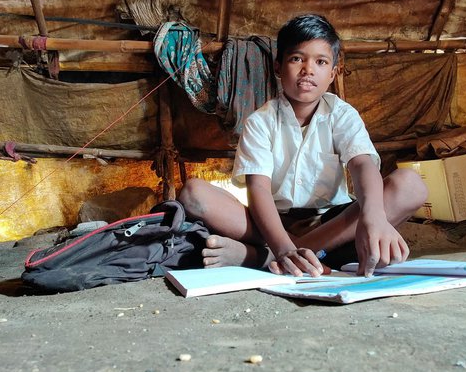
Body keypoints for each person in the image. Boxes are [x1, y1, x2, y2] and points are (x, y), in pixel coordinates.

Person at [178, 14, 428, 277]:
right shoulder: (260, 122)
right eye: (297, 59)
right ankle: (288, 255)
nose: (308, 69)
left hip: (333, 223)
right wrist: (283, 245)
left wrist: (374, 216)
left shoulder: (341, 115)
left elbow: (362, 164)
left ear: (332, 74)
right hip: (273, 226)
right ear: (278, 67)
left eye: (320, 62)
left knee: (410, 185)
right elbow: (259, 191)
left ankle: (263, 259)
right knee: (194, 193)